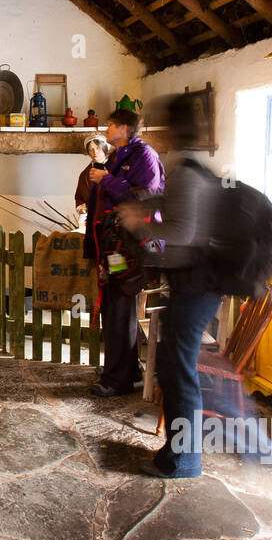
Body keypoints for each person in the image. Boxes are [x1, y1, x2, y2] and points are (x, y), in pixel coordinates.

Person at [117, 94, 225, 478]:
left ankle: (185, 459)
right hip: (193, 281)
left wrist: (140, 224)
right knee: (173, 364)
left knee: (178, 369)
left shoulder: (189, 171)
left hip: (198, 282)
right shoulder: (191, 166)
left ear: (174, 128)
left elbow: (183, 229)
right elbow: (180, 205)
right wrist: (150, 202)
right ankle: (175, 452)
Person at [85, 109, 164, 397]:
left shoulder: (144, 157)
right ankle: (126, 372)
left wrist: (106, 179)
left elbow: (145, 197)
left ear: (125, 128)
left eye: (110, 124)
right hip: (113, 246)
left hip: (130, 248)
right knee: (114, 305)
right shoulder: (118, 156)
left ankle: (117, 381)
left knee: (119, 307)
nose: (106, 129)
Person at [74, 133, 110, 227]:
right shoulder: (85, 175)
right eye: (91, 150)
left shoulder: (115, 168)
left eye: (98, 148)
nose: (95, 152)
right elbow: (79, 197)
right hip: (93, 221)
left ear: (104, 148)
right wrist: (82, 209)